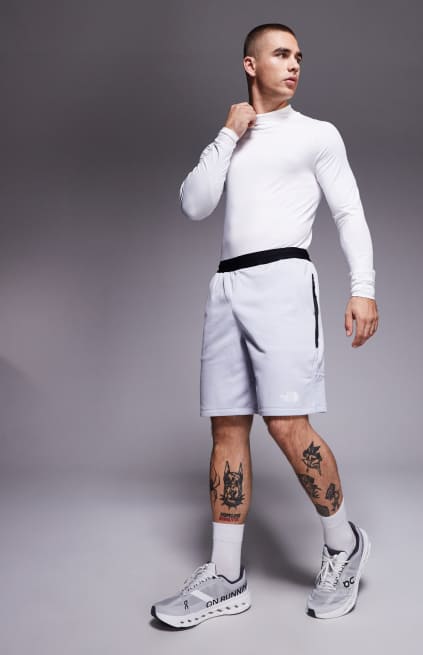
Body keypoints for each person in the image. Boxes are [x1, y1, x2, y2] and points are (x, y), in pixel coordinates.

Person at [151, 22, 379, 628]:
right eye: (281, 54)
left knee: (286, 423)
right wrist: (229, 133)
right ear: (250, 65)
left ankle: (343, 545)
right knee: (227, 427)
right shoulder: (234, 136)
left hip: (284, 281)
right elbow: (194, 203)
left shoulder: (317, 134)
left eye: (298, 56)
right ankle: (226, 575)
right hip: (227, 285)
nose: (294, 64)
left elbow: (349, 212)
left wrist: (363, 289)